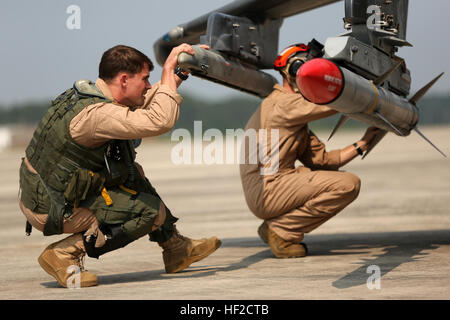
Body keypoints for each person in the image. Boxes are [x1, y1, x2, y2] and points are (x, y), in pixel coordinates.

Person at [18, 44, 221, 288]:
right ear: (124, 79)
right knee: (149, 212)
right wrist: (167, 69)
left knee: (132, 172)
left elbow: (140, 108)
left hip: (47, 192)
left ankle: (175, 248)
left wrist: (176, 76)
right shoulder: (96, 115)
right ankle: (63, 254)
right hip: (52, 205)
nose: (148, 85)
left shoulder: (91, 97)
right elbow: (160, 120)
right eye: (145, 79)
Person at [239, 42, 382, 258]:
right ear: (295, 69)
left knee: (339, 181)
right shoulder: (283, 104)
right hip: (268, 189)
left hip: (271, 188)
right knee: (348, 185)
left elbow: (322, 161)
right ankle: (281, 230)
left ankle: (279, 227)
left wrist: (362, 144)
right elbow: (332, 102)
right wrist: (368, 88)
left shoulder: (294, 116)